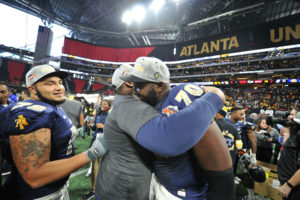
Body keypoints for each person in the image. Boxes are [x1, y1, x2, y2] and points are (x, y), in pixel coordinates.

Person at [95, 62, 225, 200]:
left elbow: (169, 142)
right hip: (157, 180)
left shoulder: (176, 97)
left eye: (140, 84)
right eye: (135, 83)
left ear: (159, 85)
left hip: (182, 190)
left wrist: (215, 96)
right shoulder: (141, 105)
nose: (136, 89)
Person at [0, 64, 108, 199]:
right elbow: (34, 176)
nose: (59, 88)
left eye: (60, 83)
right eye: (50, 84)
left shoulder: (49, 105)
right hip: (38, 195)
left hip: (53, 187)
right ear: (33, 90)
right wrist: (92, 153)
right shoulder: (30, 114)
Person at [83, 99, 111, 200]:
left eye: (105, 104)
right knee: (95, 168)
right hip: (95, 142)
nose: (102, 105)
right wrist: (91, 126)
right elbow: (95, 128)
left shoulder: (111, 116)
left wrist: (104, 127)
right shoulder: (98, 115)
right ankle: (94, 190)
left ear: (109, 106)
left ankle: (106, 189)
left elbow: (114, 129)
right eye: (101, 103)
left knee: (106, 168)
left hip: (107, 143)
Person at [278, 105, 300, 200]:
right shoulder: (294, 135)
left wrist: (289, 185)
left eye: (292, 115)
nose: (288, 117)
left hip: (295, 188)